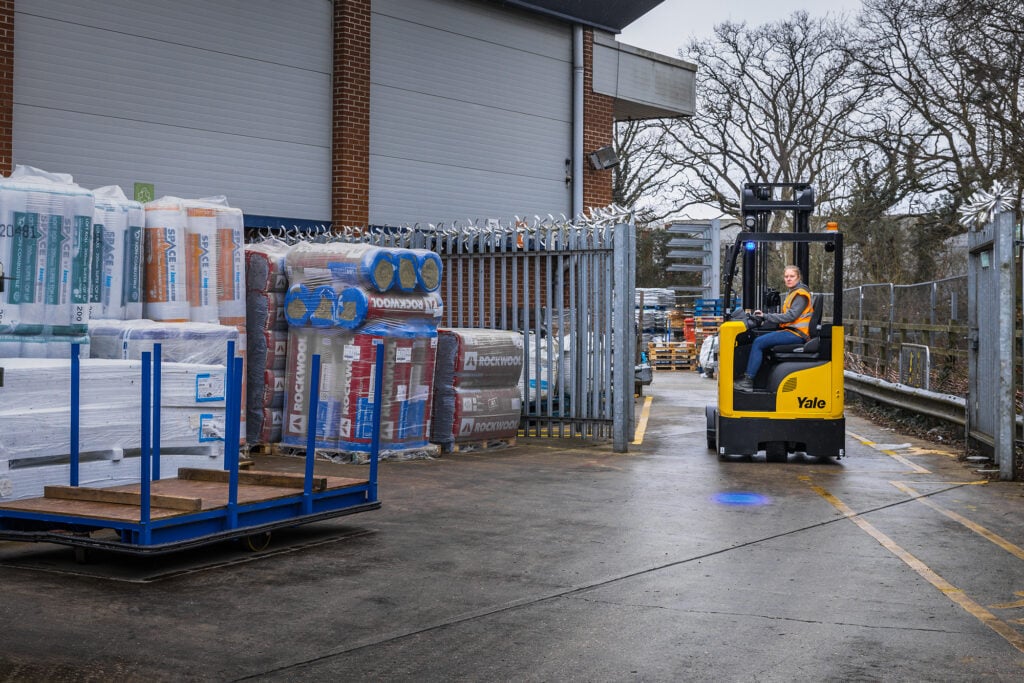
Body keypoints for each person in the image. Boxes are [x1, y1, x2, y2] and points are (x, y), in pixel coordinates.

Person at [734, 265, 813, 392]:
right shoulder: (793, 293)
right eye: (786, 276)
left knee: (759, 342)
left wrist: (766, 316)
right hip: (791, 331)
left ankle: (748, 381)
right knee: (761, 339)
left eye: (792, 276)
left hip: (798, 334)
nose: (788, 279)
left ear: (798, 277)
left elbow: (790, 316)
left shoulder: (801, 295)